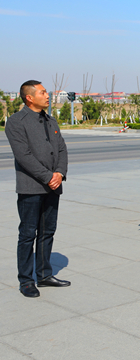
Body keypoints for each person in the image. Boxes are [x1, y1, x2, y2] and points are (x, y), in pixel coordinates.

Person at [5, 80, 70, 298]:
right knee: (27, 234)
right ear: (29, 97)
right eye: (42, 92)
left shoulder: (51, 120)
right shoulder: (16, 122)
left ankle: (44, 275)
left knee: (47, 231)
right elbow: (23, 156)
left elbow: (61, 149)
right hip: (31, 187)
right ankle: (26, 280)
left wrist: (59, 173)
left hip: (53, 186)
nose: (47, 95)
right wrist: (48, 176)